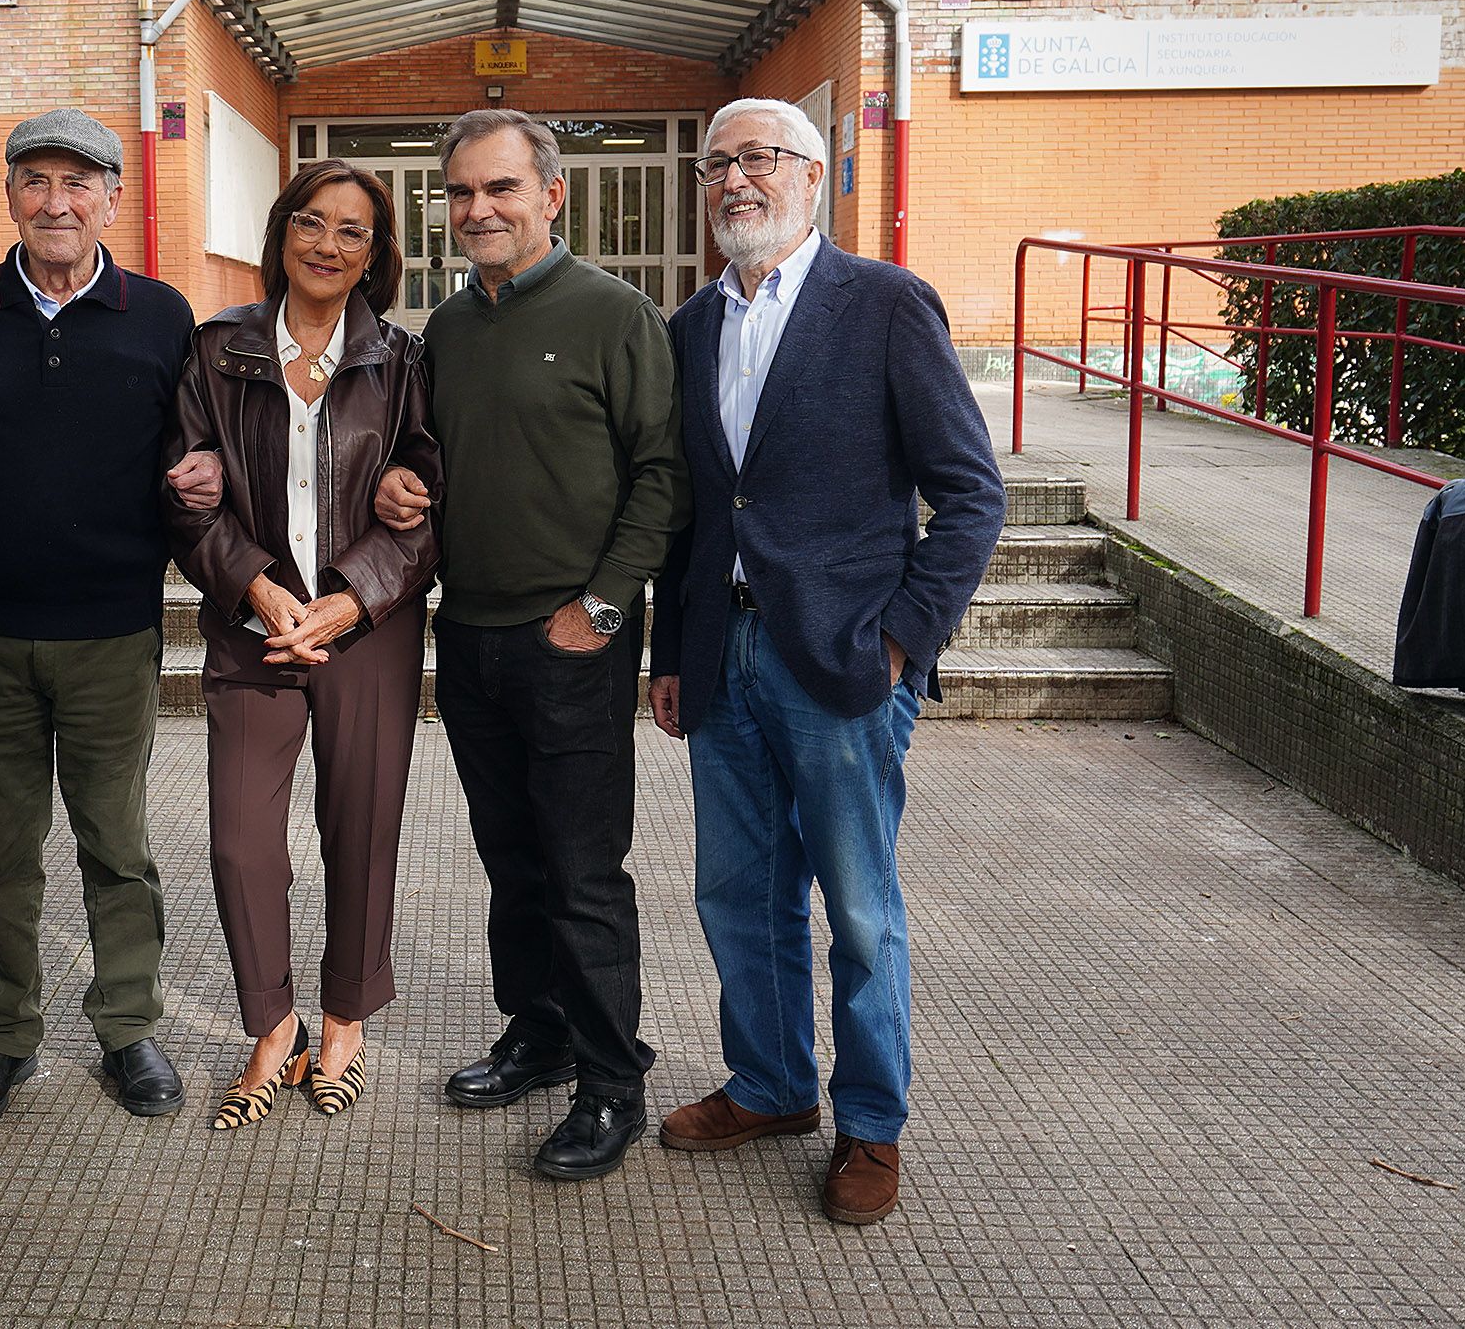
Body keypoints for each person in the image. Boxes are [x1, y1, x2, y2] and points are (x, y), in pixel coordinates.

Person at [645, 98, 1005, 1226]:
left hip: (842, 660)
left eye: (757, 158)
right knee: (734, 896)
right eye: (716, 163)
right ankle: (768, 1087)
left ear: (811, 175)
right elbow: (689, 514)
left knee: (857, 908)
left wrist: (903, 635)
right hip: (722, 654)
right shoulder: (689, 325)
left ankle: (870, 1125)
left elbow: (969, 493)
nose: (733, 181)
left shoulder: (886, 305)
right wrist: (666, 649)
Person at [373, 109, 686, 1181]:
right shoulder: (445, 331)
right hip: (467, 637)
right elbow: (434, 465)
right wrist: (405, 487)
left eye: (500, 189)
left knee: (580, 869)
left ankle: (611, 1079)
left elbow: (662, 475)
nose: (477, 211)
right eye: (459, 194)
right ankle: (538, 1031)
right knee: (510, 860)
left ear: (552, 195)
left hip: (571, 642)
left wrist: (600, 610)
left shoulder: (615, 314)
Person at [0, 108, 200, 1126]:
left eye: (79, 182)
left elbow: (196, 445)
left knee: (115, 844)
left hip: (110, 631)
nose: (56, 200)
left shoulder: (160, 316)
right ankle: (2, 1036)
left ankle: (127, 1029)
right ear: (8, 194)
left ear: (112, 198)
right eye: (36, 180)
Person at [163, 159, 440, 1129]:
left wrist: (351, 595)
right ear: (280, 233)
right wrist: (255, 584)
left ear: (375, 254)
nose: (328, 245)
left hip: (366, 632)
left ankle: (344, 1021)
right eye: (310, 224)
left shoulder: (403, 360)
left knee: (359, 830)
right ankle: (270, 1025)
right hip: (254, 629)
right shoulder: (213, 351)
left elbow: (426, 504)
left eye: (351, 231)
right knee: (242, 843)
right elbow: (183, 497)